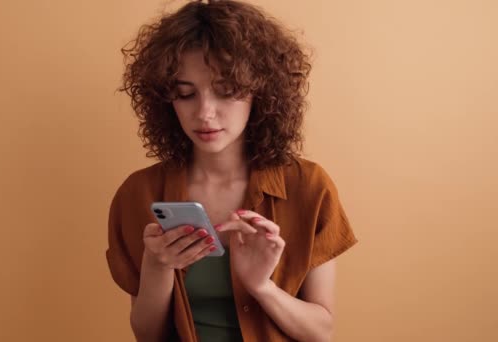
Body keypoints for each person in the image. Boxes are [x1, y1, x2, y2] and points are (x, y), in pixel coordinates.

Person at [106, 1, 358, 341]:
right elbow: (148, 335)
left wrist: (261, 286)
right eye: (185, 94)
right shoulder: (139, 193)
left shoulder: (309, 187)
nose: (205, 113)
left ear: (262, 93)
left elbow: (321, 333)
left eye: (226, 91)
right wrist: (158, 265)